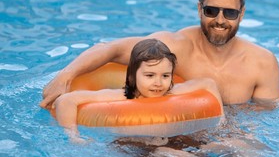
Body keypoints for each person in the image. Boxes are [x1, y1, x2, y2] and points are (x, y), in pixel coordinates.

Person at [41, 0, 279, 110]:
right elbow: (110, 49)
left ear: (242, 14)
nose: (220, 20)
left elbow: (265, 118)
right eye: (211, 11)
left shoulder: (262, 63)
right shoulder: (174, 46)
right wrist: (65, 76)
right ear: (199, 9)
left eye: (229, 13)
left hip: (228, 136)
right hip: (177, 135)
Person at [53, 39, 223, 140]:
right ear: (133, 77)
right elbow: (66, 100)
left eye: (165, 76)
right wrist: (73, 135)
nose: (158, 83)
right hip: (136, 144)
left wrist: (221, 119)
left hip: (172, 137)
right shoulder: (123, 96)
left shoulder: (173, 92)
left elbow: (209, 84)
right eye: (149, 76)